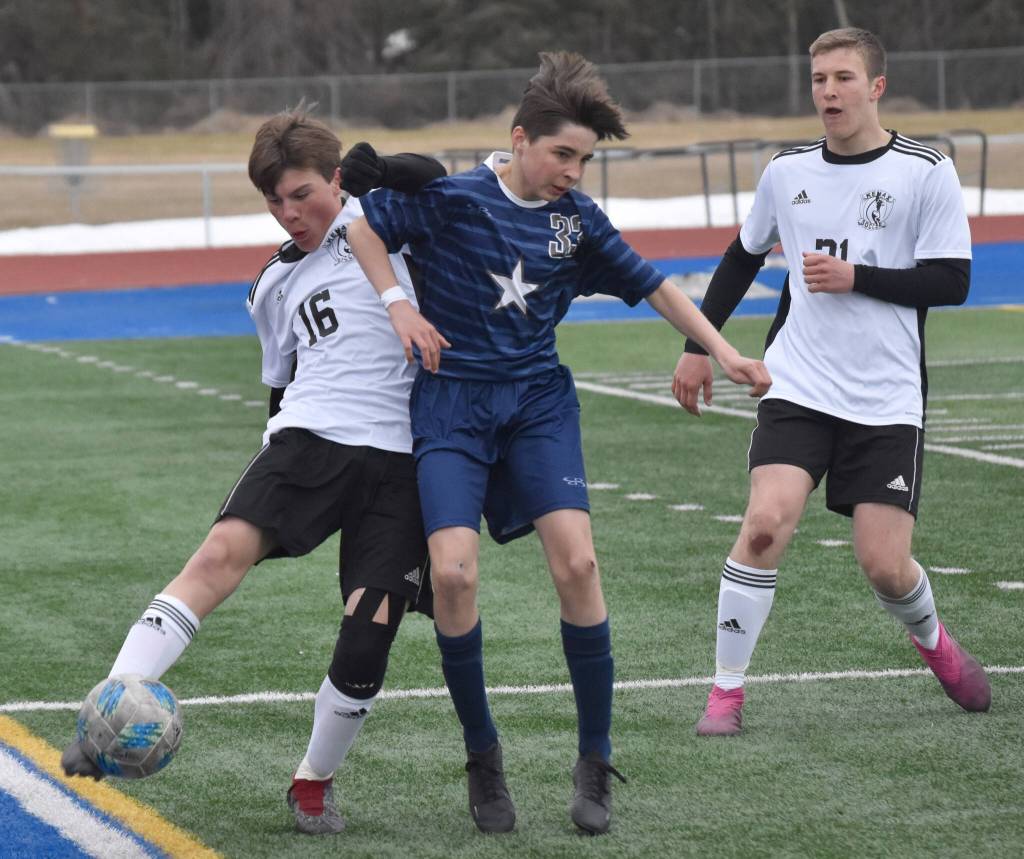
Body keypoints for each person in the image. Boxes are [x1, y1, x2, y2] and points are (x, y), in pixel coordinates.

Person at [345, 52, 771, 835]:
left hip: (538, 404)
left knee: (578, 562)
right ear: (519, 139)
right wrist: (399, 305)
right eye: (562, 155)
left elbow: (655, 285)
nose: (572, 172)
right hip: (452, 407)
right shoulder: (453, 197)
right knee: (452, 575)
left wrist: (724, 350)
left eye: (584, 159)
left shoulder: (578, 222)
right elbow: (365, 225)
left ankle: (594, 758)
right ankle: (483, 756)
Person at [60, 106, 447, 836]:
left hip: (402, 457)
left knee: (371, 627)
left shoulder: (392, 218)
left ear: (336, 178)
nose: (289, 213)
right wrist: (276, 454)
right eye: (274, 201)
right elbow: (281, 376)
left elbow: (442, 179)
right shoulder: (274, 279)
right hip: (308, 440)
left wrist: (384, 166)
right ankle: (108, 709)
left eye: (302, 193)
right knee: (215, 556)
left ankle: (313, 781)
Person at [673, 27, 990, 738]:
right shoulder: (787, 171)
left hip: (885, 396)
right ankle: (725, 693)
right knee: (763, 525)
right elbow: (741, 256)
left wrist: (857, 278)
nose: (828, 93)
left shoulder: (925, 170)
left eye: (843, 78)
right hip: (799, 381)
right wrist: (699, 344)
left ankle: (934, 640)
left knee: (884, 565)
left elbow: (953, 279)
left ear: (875, 86)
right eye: (818, 80)